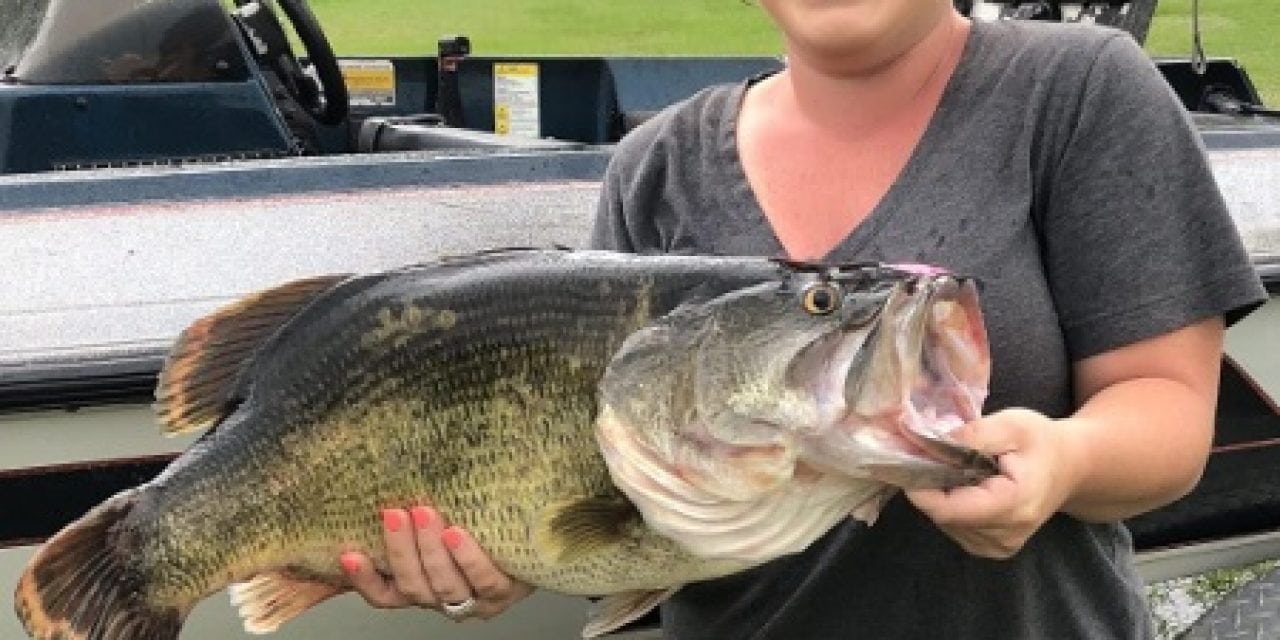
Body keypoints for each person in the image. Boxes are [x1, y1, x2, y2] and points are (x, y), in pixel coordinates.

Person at [339, 1, 1267, 637]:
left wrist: (1065, 463)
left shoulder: (1077, 92)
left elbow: (1166, 410)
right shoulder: (654, 169)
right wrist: (491, 557)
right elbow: (597, 498)